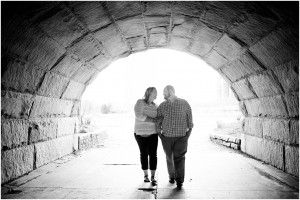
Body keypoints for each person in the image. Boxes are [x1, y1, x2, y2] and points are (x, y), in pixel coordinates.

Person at [156, 85, 193, 189]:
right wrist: (160, 134)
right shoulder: (162, 105)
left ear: (171, 91)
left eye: (164, 92)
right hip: (166, 137)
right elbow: (158, 121)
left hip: (181, 137)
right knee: (169, 157)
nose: (163, 94)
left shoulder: (184, 103)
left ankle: (180, 181)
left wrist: (187, 135)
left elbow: (190, 120)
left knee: (180, 158)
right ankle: (172, 176)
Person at [134, 87, 158, 185]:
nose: (156, 94)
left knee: (153, 155)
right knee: (143, 154)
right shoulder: (140, 102)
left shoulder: (156, 105)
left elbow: (158, 117)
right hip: (140, 133)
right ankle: (145, 175)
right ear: (149, 93)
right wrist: (152, 120)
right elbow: (138, 115)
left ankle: (153, 176)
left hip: (153, 133)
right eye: (154, 92)